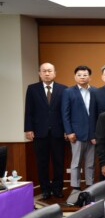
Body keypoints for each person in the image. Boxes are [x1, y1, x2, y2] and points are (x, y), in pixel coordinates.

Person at [24, 62, 67, 199]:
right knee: (41, 163)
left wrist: (67, 129)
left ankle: (58, 189)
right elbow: (29, 111)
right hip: (39, 132)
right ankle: (45, 189)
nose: (47, 73)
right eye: (44, 71)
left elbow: (65, 112)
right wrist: (28, 129)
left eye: (49, 71)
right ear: (39, 73)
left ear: (55, 73)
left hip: (58, 132)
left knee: (58, 162)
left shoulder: (63, 89)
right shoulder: (32, 89)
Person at [61, 65, 97, 193]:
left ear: (90, 77)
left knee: (90, 163)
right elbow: (65, 113)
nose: (82, 77)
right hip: (76, 134)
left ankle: (90, 186)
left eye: (85, 75)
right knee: (76, 163)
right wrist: (69, 131)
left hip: (92, 134)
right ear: (75, 77)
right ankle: (75, 187)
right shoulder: (68, 92)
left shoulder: (95, 91)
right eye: (79, 75)